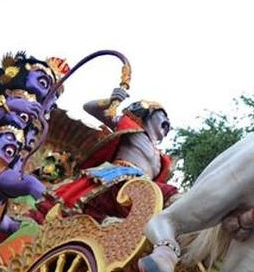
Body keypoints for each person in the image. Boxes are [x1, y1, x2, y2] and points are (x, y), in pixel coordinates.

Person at [40, 89, 179, 222]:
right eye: (164, 116)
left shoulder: (162, 158)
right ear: (148, 112)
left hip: (141, 191)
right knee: (169, 196)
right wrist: (110, 101)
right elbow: (90, 107)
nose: (169, 123)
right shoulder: (130, 128)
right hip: (118, 179)